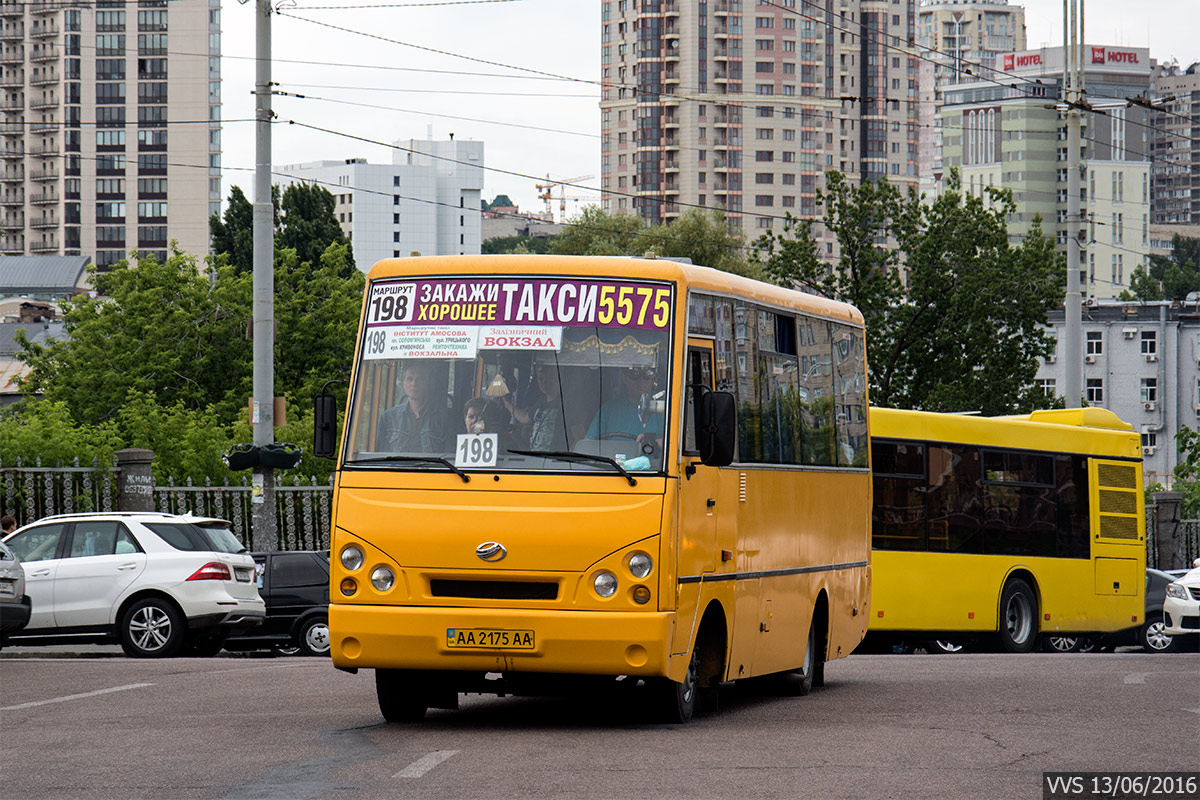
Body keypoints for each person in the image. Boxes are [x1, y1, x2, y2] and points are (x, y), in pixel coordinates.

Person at [376, 360, 450, 453]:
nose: (414, 383)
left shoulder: (444, 418)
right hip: (396, 467)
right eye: (410, 379)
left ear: (429, 383)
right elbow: (381, 457)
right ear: (404, 383)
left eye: (420, 379)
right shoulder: (388, 418)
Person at [585, 365, 663, 445]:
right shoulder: (608, 409)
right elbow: (589, 443)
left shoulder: (663, 407)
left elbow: (672, 444)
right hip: (611, 457)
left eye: (646, 376)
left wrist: (652, 441)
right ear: (624, 378)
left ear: (652, 379)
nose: (641, 381)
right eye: (634, 375)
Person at [501, 362, 567, 451]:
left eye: (550, 379)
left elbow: (578, 436)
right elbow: (525, 418)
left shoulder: (566, 405)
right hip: (535, 458)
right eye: (541, 379)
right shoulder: (540, 402)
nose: (545, 383)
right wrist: (507, 404)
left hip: (553, 461)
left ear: (561, 380)